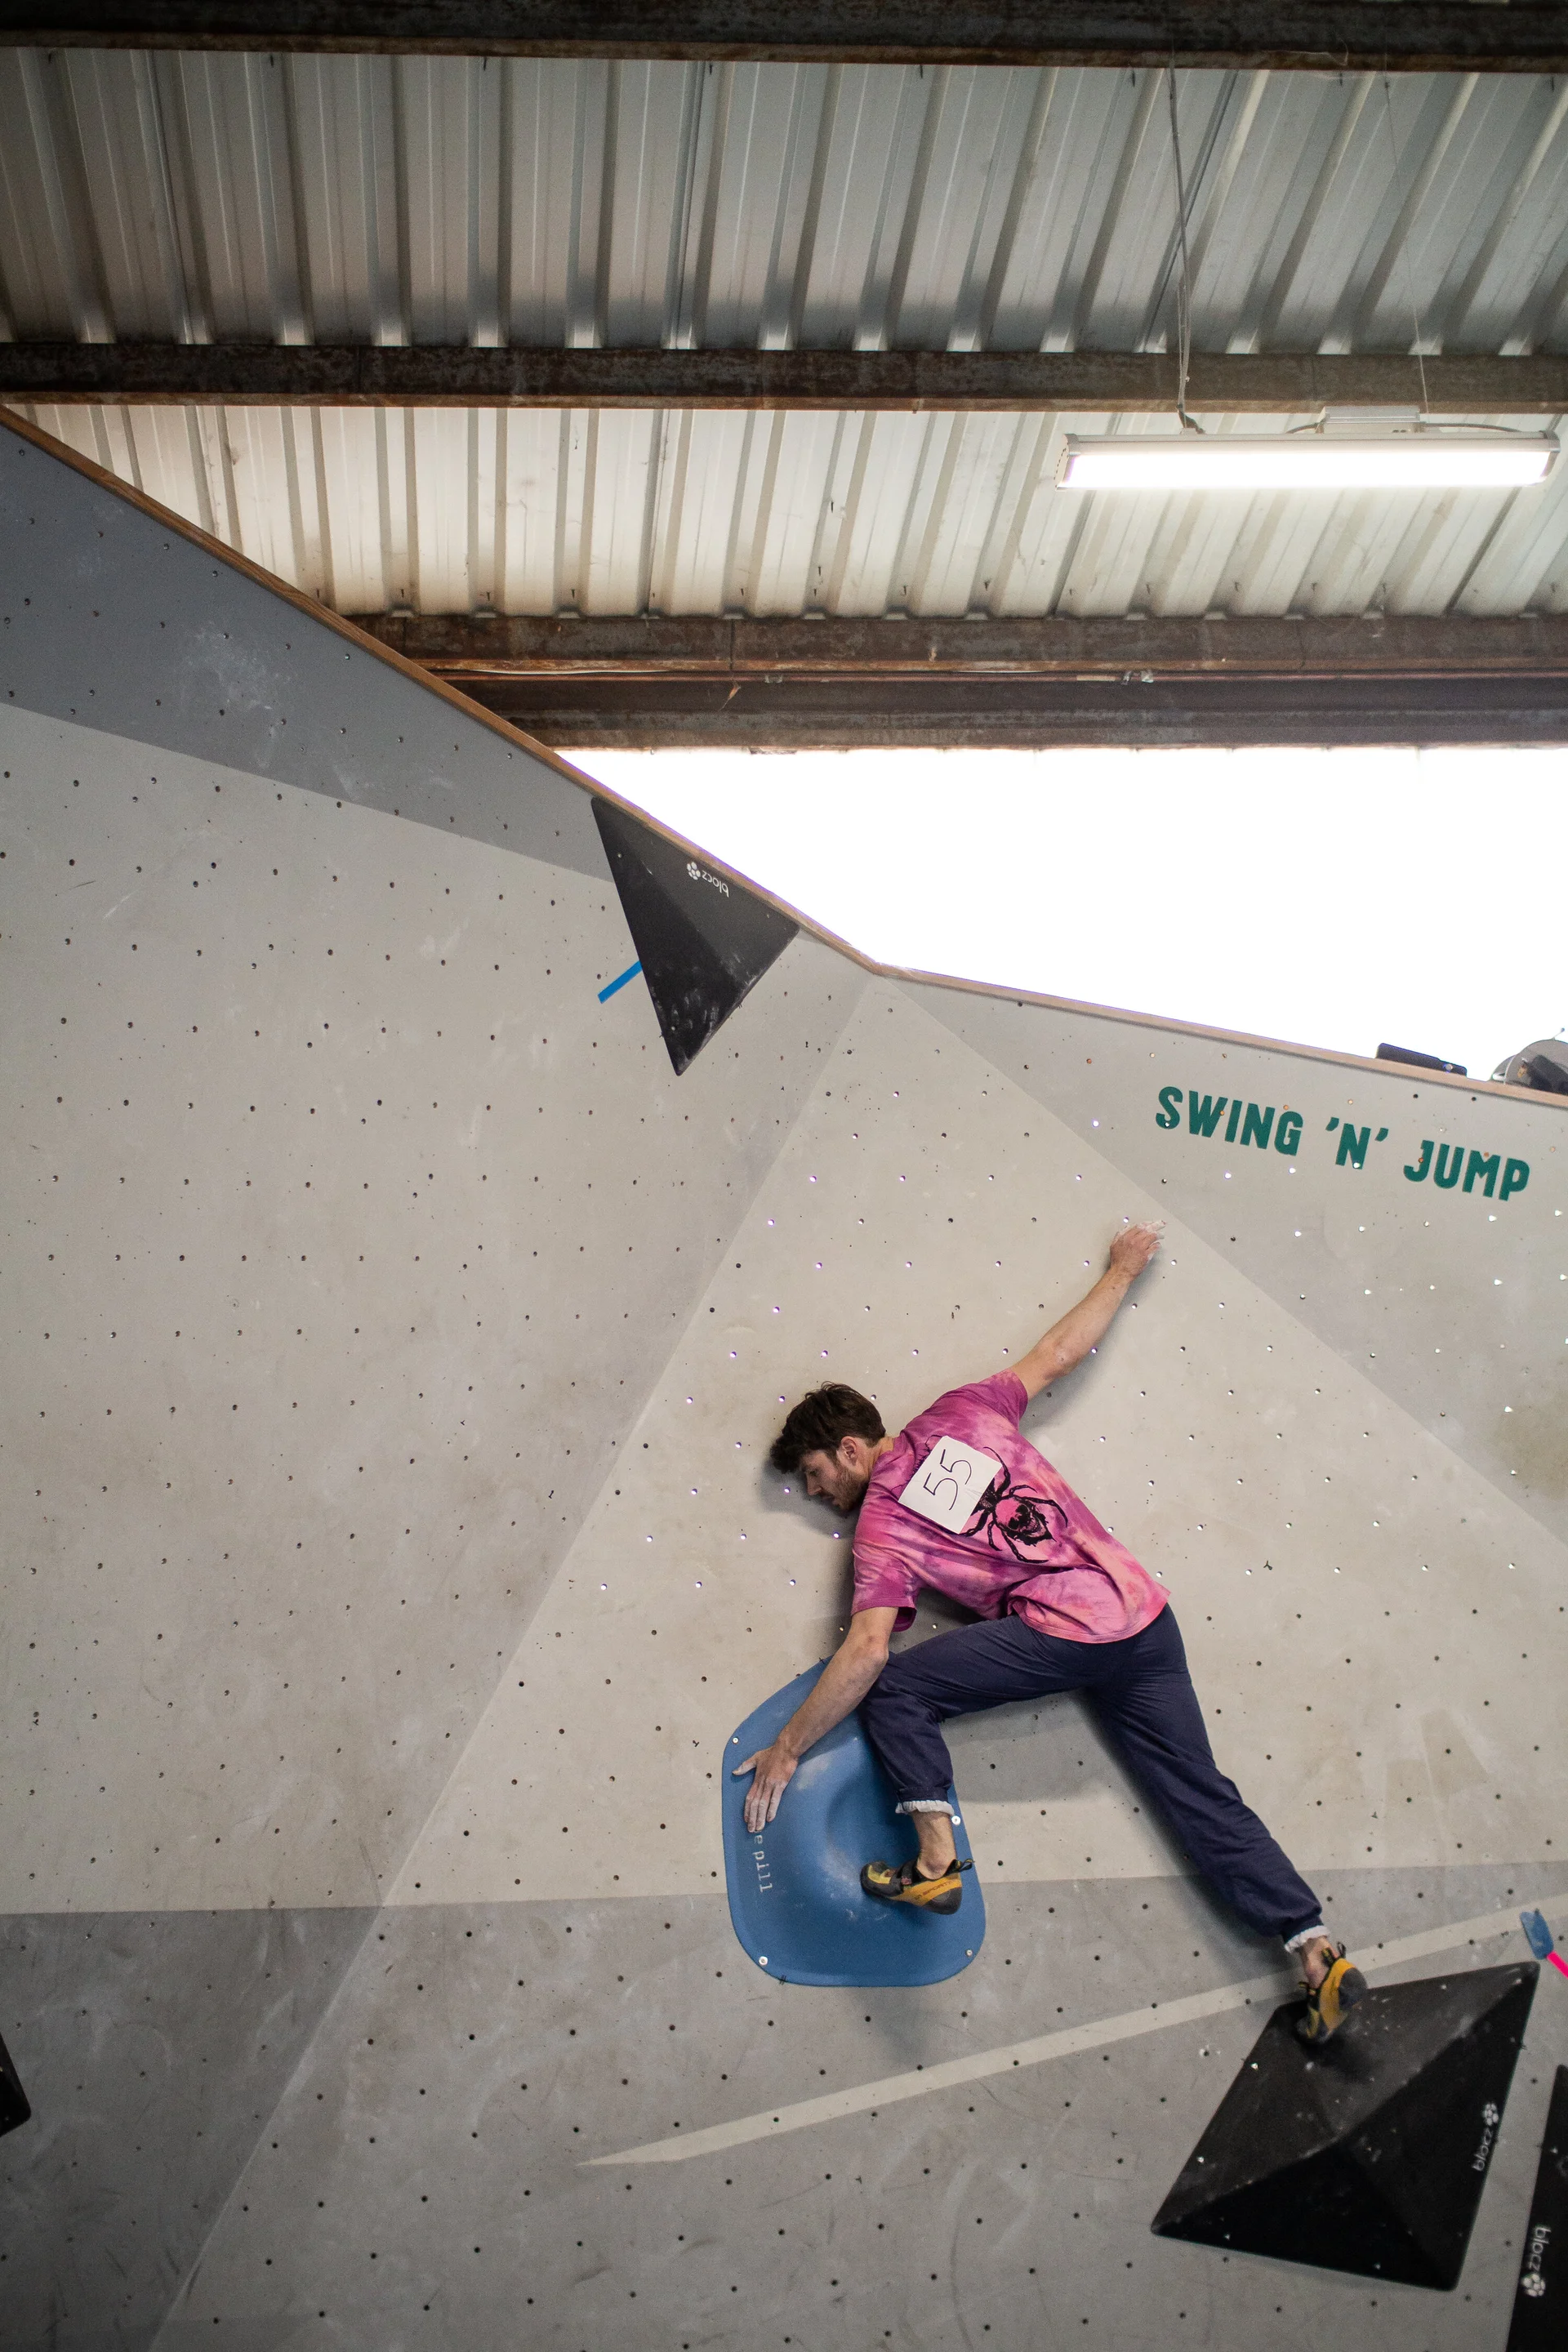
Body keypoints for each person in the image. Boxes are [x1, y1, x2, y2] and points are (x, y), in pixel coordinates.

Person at [737, 1219, 1365, 2045]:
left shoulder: (884, 1522)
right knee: (1197, 1791)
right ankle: (1312, 1944)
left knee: (896, 1686)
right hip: (1142, 1616)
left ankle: (934, 1861)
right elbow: (1060, 1351)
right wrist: (1123, 1270)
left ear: (851, 1449)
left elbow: (865, 1654)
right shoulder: (964, 1409)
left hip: (1071, 1630)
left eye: (817, 1477)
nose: (818, 1495)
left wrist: (786, 1749)